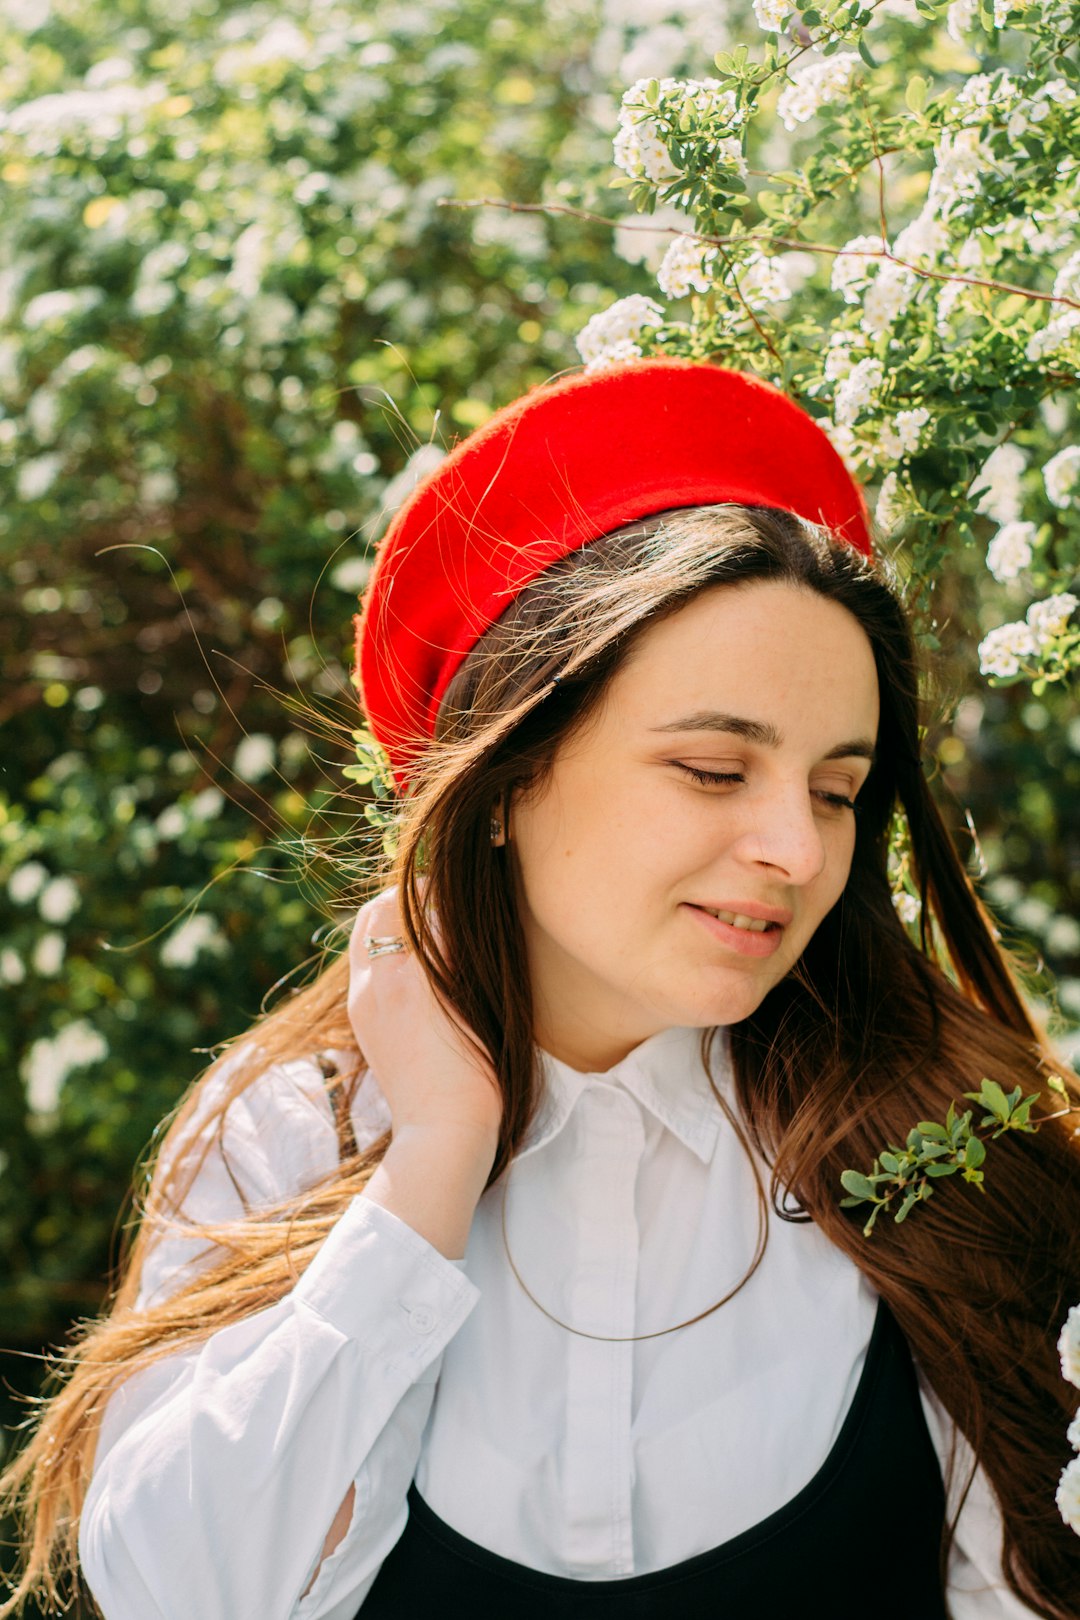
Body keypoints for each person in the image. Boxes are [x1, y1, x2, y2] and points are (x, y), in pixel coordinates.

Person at [2, 360, 1078, 1620]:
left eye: (837, 791)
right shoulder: (295, 1133)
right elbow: (180, 1595)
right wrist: (432, 1171)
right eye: (715, 769)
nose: (796, 849)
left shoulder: (945, 1149)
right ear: (509, 775)